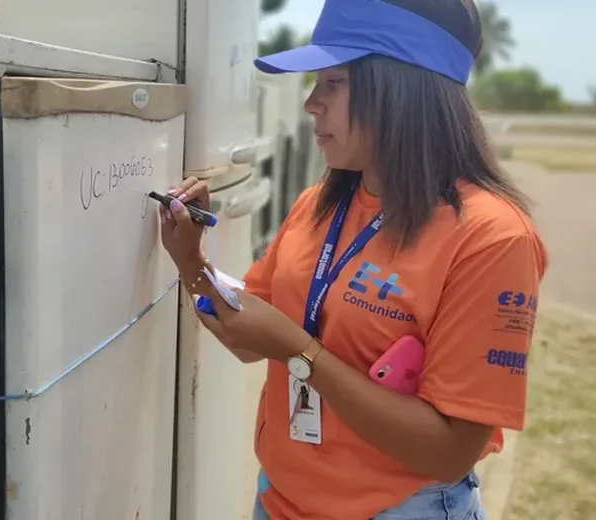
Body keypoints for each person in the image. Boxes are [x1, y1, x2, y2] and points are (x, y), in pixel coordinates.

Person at [158, 0, 547, 518]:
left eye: (333, 83)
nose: (310, 104)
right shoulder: (319, 205)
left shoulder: (492, 238)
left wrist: (301, 353)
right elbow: (250, 338)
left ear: (401, 88)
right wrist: (192, 263)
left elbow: (452, 452)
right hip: (278, 499)